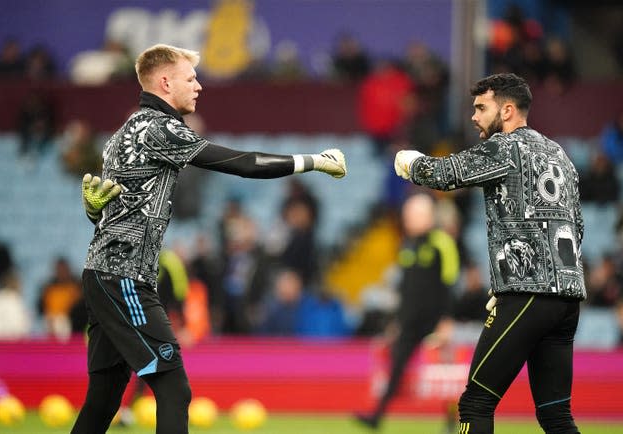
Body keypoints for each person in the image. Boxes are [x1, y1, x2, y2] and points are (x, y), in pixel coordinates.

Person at [73, 43, 347, 434]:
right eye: (191, 78)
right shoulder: (159, 126)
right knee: (173, 387)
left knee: (103, 399)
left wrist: (95, 212)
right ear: (165, 83)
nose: (199, 86)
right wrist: (313, 161)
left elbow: (114, 206)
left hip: (104, 273)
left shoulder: (124, 132)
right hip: (124, 276)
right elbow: (242, 163)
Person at [394, 72, 585, 434]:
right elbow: (577, 228)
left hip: (528, 294)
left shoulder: (506, 147)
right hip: (567, 300)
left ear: (508, 110)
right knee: (556, 416)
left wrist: (409, 163)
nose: (474, 116)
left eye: (482, 108)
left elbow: (446, 174)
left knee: (475, 403)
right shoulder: (561, 155)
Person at [355, 193, 460, 429]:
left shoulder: (442, 243)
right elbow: (405, 288)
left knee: (446, 372)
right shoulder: (408, 245)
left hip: (435, 320)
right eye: (406, 216)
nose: (407, 220)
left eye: (411, 216)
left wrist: (446, 320)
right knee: (396, 365)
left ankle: (452, 418)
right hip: (411, 321)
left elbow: (449, 283)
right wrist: (397, 321)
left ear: (426, 216)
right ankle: (377, 416)